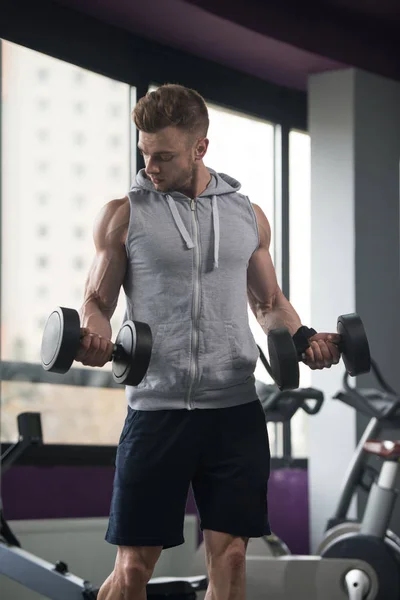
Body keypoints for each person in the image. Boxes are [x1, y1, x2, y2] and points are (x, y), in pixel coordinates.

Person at [76, 84, 340, 600]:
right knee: (133, 570)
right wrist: (95, 340)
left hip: (234, 410)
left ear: (201, 149)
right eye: (144, 153)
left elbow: (269, 305)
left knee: (234, 558)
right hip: (157, 410)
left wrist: (306, 339)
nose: (150, 166)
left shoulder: (247, 215)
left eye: (165, 155)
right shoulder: (124, 214)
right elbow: (97, 304)